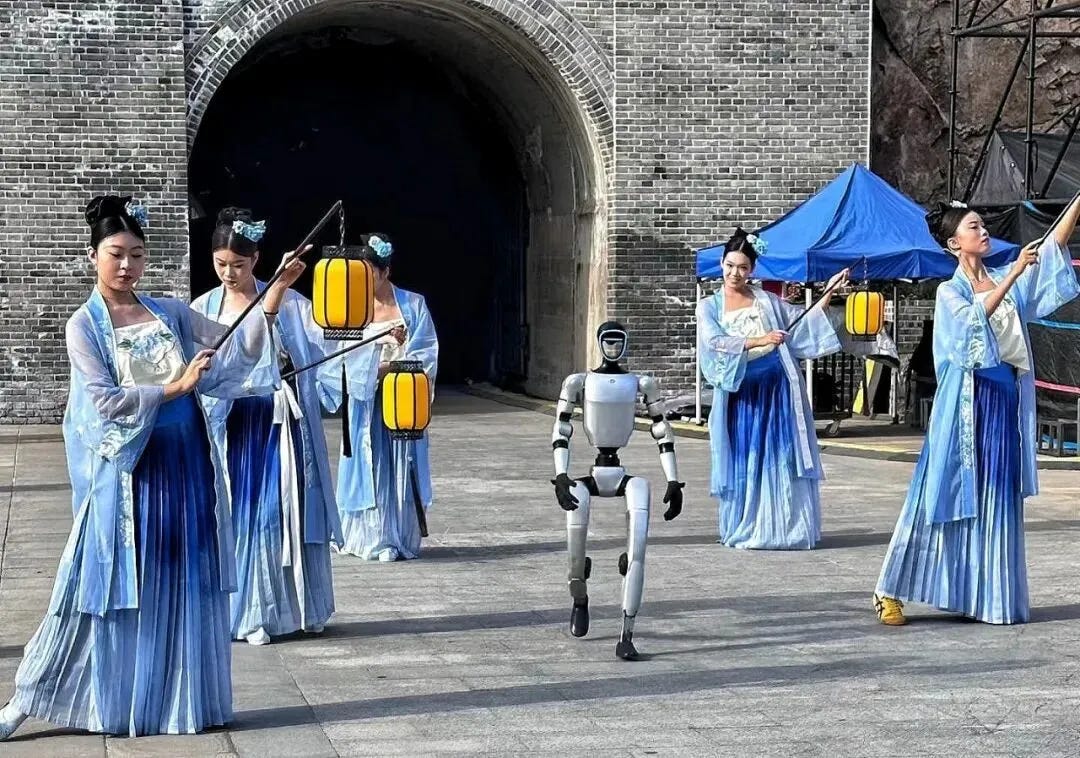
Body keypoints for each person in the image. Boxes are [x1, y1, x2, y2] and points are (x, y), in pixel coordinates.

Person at [1, 195, 304, 739]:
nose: (127, 266)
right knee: (91, 588)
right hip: (129, 473)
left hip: (186, 466)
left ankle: (174, 701)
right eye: (115, 254)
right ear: (92, 256)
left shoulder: (169, 312)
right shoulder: (84, 326)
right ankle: (28, 697)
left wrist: (275, 290)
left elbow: (237, 351)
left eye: (137, 255)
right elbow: (104, 402)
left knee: (181, 582)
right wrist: (175, 387)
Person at [873, 195, 1080, 625]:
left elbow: (1053, 248)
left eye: (983, 225)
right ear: (954, 243)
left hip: (1004, 404)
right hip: (965, 408)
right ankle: (889, 588)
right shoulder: (950, 292)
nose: (983, 231)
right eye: (973, 227)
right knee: (941, 494)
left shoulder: (1005, 277)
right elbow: (972, 323)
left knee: (996, 495)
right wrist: (1014, 274)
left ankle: (988, 595)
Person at [192, 207, 341, 646]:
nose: (229, 274)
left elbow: (327, 349)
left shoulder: (292, 303)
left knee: (281, 509)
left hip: (279, 422)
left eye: (238, 265)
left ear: (256, 259)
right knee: (241, 511)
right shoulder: (202, 309)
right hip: (232, 423)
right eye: (221, 264)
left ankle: (296, 609)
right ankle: (250, 611)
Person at [696, 228, 847, 549]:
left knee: (780, 455)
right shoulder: (709, 306)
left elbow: (801, 322)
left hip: (776, 388)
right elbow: (714, 341)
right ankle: (748, 524)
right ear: (721, 263)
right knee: (746, 456)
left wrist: (829, 291)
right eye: (730, 265)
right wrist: (761, 339)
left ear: (752, 270)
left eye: (743, 268)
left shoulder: (765, 300)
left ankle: (782, 528)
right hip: (741, 391)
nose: (735, 273)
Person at [323, 233, 438, 561]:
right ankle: (368, 538)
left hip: (402, 398)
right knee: (367, 464)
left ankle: (397, 537)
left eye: (369, 273)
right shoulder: (348, 308)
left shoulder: (412, 305)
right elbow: (335, 359)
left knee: (400, 463)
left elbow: (425, 353)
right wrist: (373, 363)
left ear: (385, 272)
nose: (361, 281)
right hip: (365, 402)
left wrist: (391, 365)